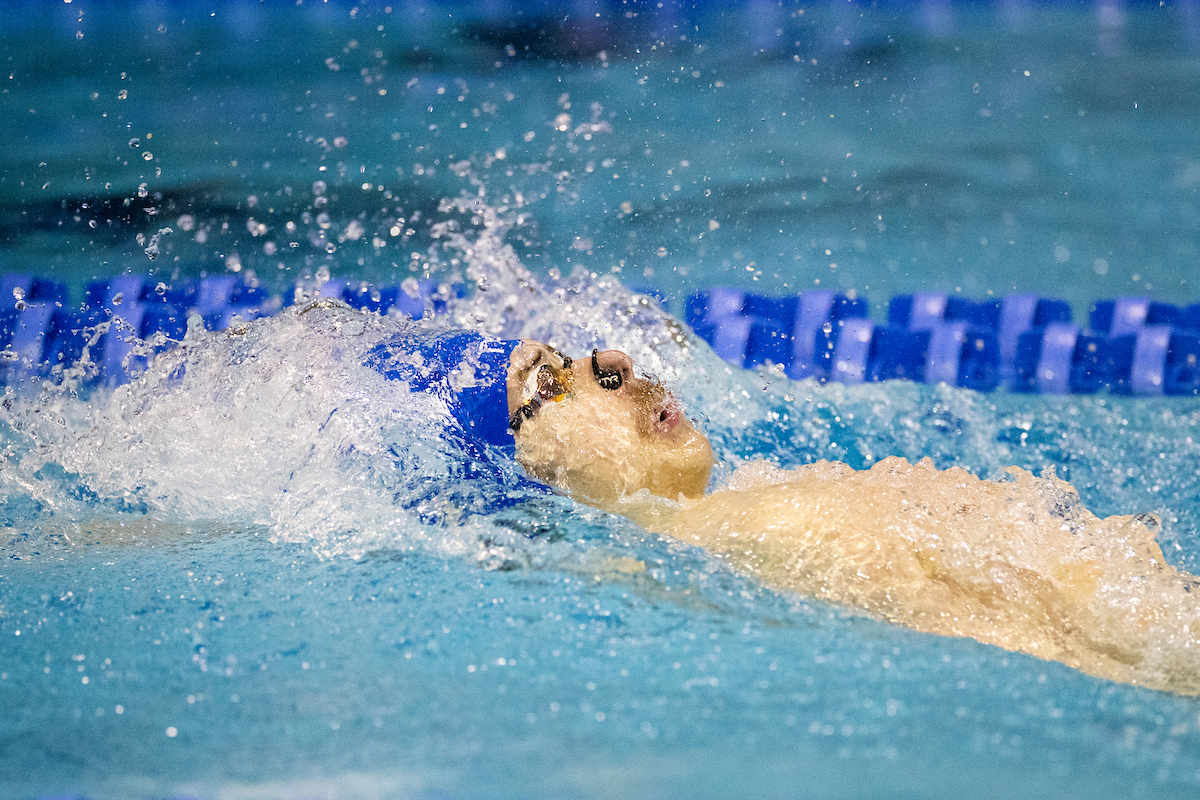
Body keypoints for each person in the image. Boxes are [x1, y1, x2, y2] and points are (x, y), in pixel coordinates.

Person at [496, 340, 1200, 696]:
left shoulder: (738, 507)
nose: (614, 361)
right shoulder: (692, 547)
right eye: (551, 387)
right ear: (539, 470)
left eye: (579, 356)